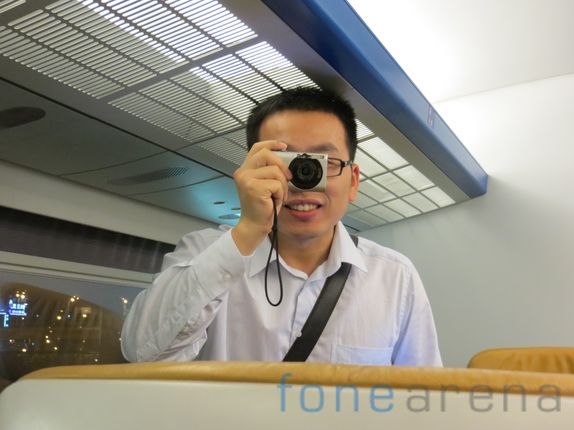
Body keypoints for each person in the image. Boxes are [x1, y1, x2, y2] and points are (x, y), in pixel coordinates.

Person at [121, 87, 442, 366]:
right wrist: (247, 229)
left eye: (323, 164)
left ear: (353, 181)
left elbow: (420, 394)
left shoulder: (394, 276)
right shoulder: (205, 251)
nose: (303, 182)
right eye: (285, 163)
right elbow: (142, 352)